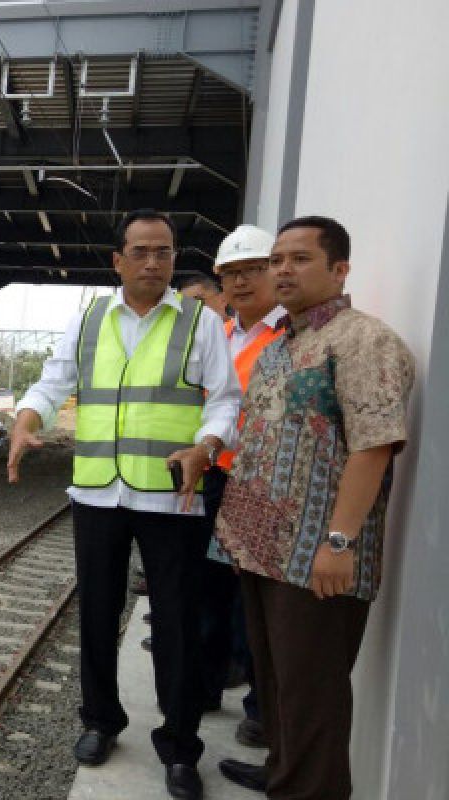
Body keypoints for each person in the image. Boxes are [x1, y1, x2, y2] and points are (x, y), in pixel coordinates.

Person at [8, 209, 240, 800]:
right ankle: (101, 722)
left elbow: (227, 402)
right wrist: (27, 419)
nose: (153, 262)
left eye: (163, 252)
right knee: (96, 614)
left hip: (170, 497)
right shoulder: (88, 318)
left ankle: (181, 749)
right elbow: (54, 380)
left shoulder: (199, 322)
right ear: (118, 260)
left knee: (178, 626)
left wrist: (207, 446)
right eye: (140, 251)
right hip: (96, 494)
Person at [214, 217, 414, 799]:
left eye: (299, 259)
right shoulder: (285, 344)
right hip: (262, 555)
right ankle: (282, 779)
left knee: (313, 702)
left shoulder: (362, 340)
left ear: (339, 270)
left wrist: (340, 542)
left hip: (316, 564)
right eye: (277, 259)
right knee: (277, 691)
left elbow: (373, 445)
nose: (281, 269)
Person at [198, 225, 284, 748]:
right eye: (231, 273)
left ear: (274, 271)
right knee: (209, 590)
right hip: (216, 478)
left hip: (263, 483)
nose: (241, 281)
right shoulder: (219, 336)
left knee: (254, 600)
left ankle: (257, 706)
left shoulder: (290, 335)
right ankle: (207, 686)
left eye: (253, 269)